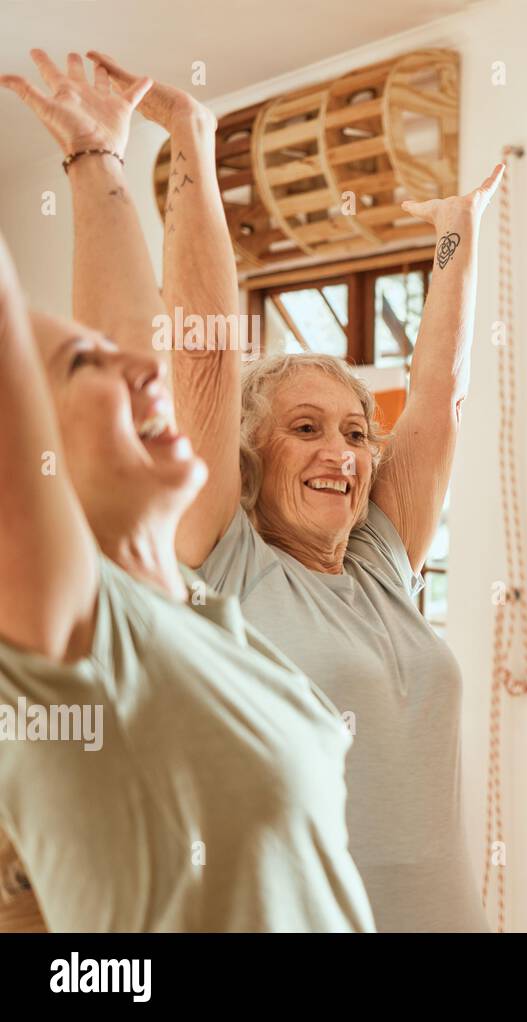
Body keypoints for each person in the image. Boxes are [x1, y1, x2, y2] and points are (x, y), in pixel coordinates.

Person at [79, 50, 499, 932]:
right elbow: (201, 354)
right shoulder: (224, 560)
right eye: (304, 429)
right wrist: (193, 143)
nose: (339, 454)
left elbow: (439, 398)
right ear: (251, 453)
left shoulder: (383, 564)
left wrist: (458, 237)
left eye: (353, 434)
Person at [0, 50, 372, 931]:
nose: (148, 369)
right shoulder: (72, 635)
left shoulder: (187, 608)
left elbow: (137, 338)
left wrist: (99, 162)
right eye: (84, 363)